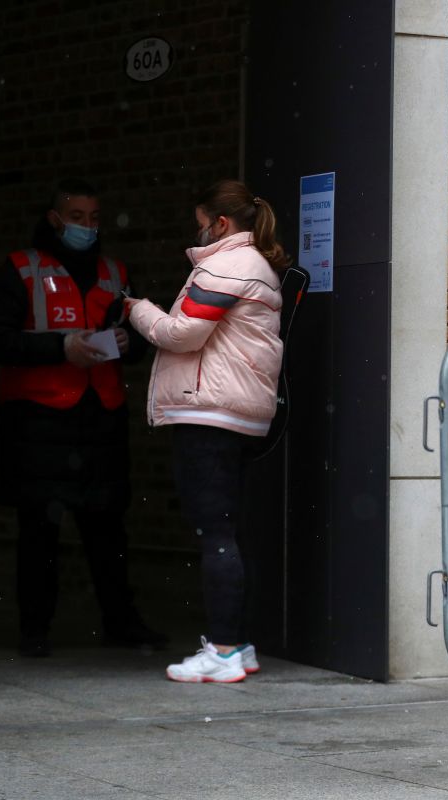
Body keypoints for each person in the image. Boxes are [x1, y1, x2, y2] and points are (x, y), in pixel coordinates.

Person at [0, 179, 167, 657]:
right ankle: (35, 630)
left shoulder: (113, 272)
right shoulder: (21, 269)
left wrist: (129, 344)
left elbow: (141, 334)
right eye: (77, 217)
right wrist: (60, 346)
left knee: (108, 530)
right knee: (40, 530)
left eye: (94, 218)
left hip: (99, 417)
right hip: (37, 421)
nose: (87, 227)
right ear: (55, 220)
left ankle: (121, 622)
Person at [126, 179, 287, 683]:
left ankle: (221, 650)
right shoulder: (256, 265)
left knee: (216, 534)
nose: (196, 229)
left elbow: (182, 332)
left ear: (219, 223)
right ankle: (237, 646)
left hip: (208, 413)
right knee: (230, 532)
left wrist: (138, 309)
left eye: (200, 221)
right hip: (237, 413)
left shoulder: (225, 265)